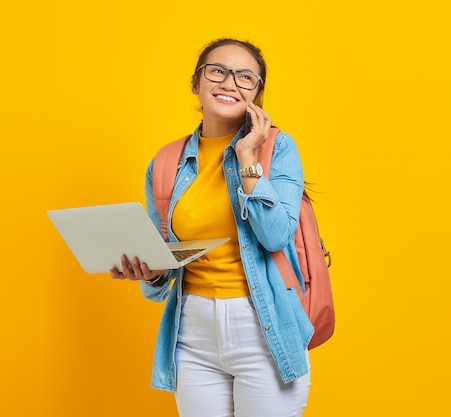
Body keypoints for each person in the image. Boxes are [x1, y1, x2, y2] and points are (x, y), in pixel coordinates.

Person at [109, 38, 313, 417]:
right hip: (192, 333)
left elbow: (275, 236)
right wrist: (150, 274)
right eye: (218, 71)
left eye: (245, 77)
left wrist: (247, 156)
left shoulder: (277, 150)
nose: (230, 83)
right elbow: (164, 257)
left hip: (262, 326)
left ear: (257, 93)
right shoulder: (167, 161)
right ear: (196, 83)